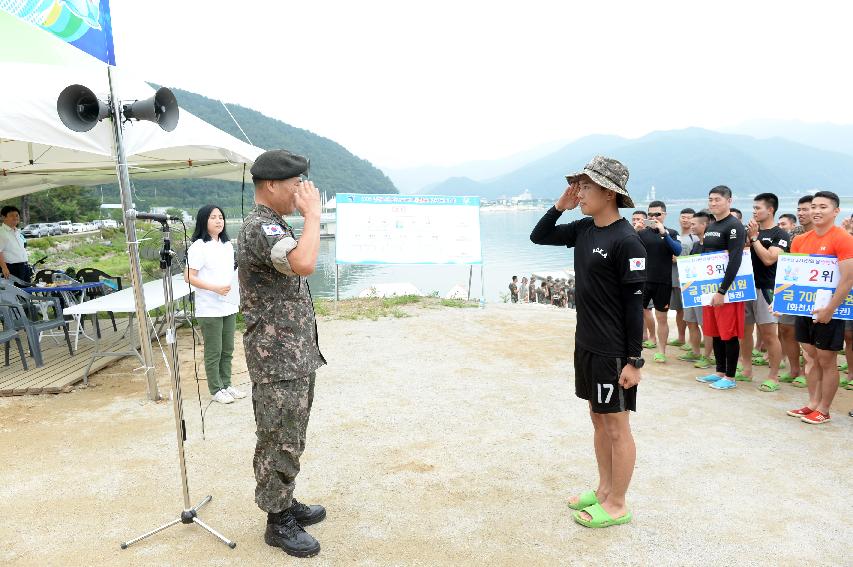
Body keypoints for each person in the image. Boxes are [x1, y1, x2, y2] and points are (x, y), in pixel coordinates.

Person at [530, 156, 645, 529]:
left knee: (617, 426)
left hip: (613, 351)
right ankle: (603, 490)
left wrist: (634, 360)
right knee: (597, 419)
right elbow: (539, 236)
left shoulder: (627, 241)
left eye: (586, 187)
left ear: (609, 192)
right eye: (578, 186)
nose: (579, 193)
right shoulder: (583, 229)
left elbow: (633, 306)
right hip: (587, 344)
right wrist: (558, 206)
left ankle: (618, 504)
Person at [238, 149, 327, 557]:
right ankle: (277, 521)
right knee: (278, 437)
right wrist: (313, 216)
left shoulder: (273, 223)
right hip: (276, 356)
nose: (301, 193)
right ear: (271, 185)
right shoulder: (261, 227)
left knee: (290, 434)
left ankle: (285, 500)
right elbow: (304, 262)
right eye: (295, 186)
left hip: (290, 353)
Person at [786, 191, 853, 424]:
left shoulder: (842, 238)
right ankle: (812, 403)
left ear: (835, 211)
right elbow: (794, 276)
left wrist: (830, 309)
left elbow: (847, 279)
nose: (816, 211)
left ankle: (824, 409)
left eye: (823, 207)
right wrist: (783, 301)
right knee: (810, 357)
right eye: (813, 206)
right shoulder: (799, 240)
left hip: (829, 310)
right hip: (804, 308)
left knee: (827, 359)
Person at [185, 205, 244, 404]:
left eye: (221, 217)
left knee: (227, 349)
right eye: (213, 217)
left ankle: (226, 384)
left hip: (228, 304)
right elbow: (188, 277)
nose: (219, 221)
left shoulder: (227, 246)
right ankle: (216, 388)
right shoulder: (198, 247)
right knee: (214, 350)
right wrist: (214, 288)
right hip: (209, 307)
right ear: (204, 221)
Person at [695, 186, 747, 390]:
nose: (713, 203)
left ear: (729, 201)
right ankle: (719, 371)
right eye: (710, 200)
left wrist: (723, 290)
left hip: (727, 290)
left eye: (717, 199)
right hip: (709, 288)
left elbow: (735, 260)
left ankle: (731, 376)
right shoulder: (712, 225)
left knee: (729, 333)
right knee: (715, 332)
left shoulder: (734, 226)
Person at [740, 193, 789, 391]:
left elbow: (769, 259)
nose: (754, 212)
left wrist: (754, 238)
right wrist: (748, 238)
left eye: (758, 208)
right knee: (744, 333)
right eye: (753, 208)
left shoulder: (780, 234)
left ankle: (773, 376)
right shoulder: (749, 231)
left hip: (767, 289)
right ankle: (746, 370)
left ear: (770, 210)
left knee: (769, 334)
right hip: (747, 288)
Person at [638, 201, 682, 363]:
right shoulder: (641, 233)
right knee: (635, 313)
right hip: (642, 281)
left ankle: (662, 351)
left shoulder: (671, 232)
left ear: (664, 215)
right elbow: (624, 247)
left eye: (658, 214)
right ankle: (633, 346)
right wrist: (634, 230)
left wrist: (664, 233)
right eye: (651, 214)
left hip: (663, 282)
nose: (654, 217)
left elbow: (677, 250)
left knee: (661, 317)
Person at [778, 196, 815, 387]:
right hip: (794, 288)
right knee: (785, 328)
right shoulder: (794, 234)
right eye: (799, 210)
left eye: (805, 209)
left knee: (809, 332)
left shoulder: (827, 234)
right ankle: (794, 369)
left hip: (816, 291)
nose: (801, 213)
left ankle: (807, 370)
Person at [679, 211, 715, 367]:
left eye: (694, 224)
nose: (691, 226)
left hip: (705, 291)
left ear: (704, 225)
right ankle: (695, 351)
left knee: (705, 324)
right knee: (691, 321)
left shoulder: (712, 244)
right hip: (691, 289)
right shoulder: (695, 244)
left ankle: (708, 355)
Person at [670, 208, 699, 349]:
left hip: (690, 281)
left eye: (689, 217)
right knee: (679, 310)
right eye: (683, 217)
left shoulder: (696, 238)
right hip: (675, 279)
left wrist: (679, 259)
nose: (685, 220)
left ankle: (693, 342)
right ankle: (681, 337)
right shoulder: (676, 236)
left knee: (691, 312)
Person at [0, 205, 30, 282]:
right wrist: (4, 268)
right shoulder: (1, 232)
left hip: (24, 266)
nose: (15, 218)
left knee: (27, 291)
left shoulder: (17, 231)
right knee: (16, 293)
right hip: (11, 268)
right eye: (11, 216)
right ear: (3, 217)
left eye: (17, 215)